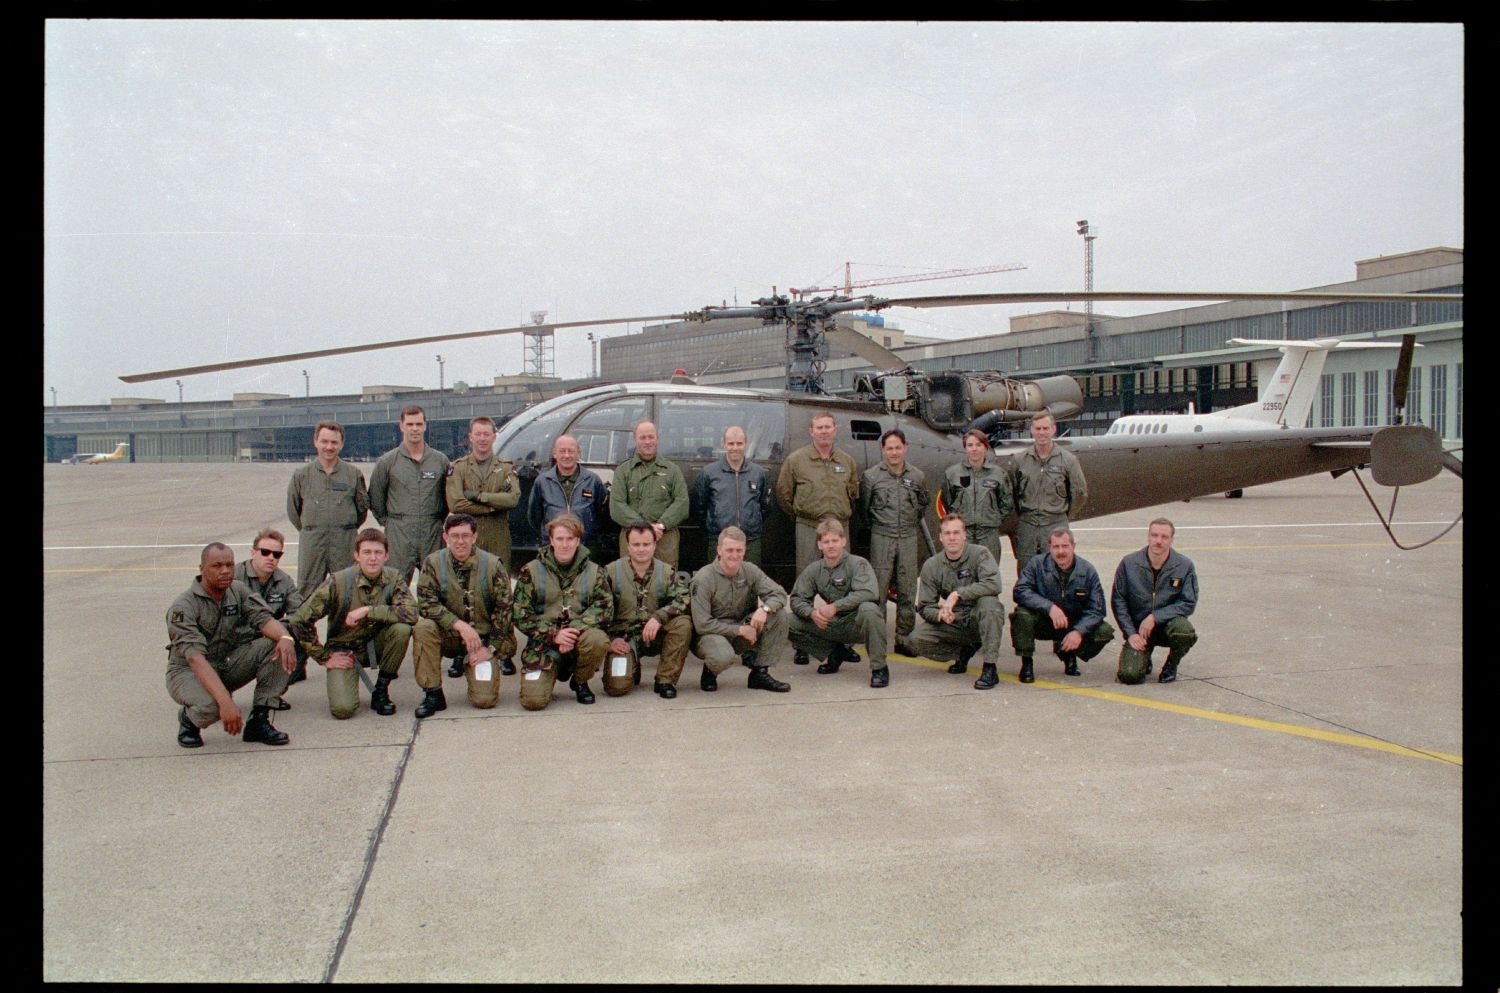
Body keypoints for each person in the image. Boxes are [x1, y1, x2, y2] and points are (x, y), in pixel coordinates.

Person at [286, 528, 429, 719]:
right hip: (344, 650)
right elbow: (300, 621)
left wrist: (369, 610)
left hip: (377, 645)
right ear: (356, 555)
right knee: (343, 709)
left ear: (386, 556)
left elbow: (412, 613)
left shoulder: (393, 578)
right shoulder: (339, 582)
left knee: (402, 629)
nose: (373, 558)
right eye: (367, 552)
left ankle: (381, 689)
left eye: (378, 553)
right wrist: (324, 656)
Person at [166, 543, 298, 748]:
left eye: (229, 565)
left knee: (278, 646)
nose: (225, 571)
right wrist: (225, 702)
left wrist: (285, 638)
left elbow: (263, 618)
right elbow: (194, 658)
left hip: (226, 663)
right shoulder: (184, 606)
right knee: (212, 707)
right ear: (202, 569)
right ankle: (189, 720)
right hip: (188, 671)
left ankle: (259, 720)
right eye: (217, 566)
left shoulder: (236, 590)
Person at [413, 513, 516, 717]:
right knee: (423, 628)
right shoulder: (432, 563)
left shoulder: (493, 564)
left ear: (474, 537)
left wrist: (491, 648)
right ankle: (432, 693)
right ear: (446, 537)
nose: (460, 541)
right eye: (455, 536)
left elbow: (504, 610)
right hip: (450, 635)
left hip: (483, 640)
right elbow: (426, 604)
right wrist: (459, 625)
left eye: (465, 536)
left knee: (484, 700)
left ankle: (480, 671)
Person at [511, 513, 613, 710]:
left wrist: (570, 633)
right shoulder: (531, 571)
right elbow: (520, 614)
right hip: (544, 644)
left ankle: (580, 681)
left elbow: (603, 609)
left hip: (579, 640)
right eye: (560, 539)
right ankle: (547, 675)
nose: (565, 544)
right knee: (533, 701)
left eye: (570, 539)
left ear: (578, 540)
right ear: (551, 540)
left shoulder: (595, 572)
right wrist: (554, 635)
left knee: (598, 640)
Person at [908, 514, 1007, 691]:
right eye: (947, 533)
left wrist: (958, 594)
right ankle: (961, 652)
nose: (952, 537)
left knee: (991, 605)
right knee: (915, 640)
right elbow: (924, 607)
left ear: (964, 535)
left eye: (956, 532)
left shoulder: (980, 554)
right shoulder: (932, 565)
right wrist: (940, 615)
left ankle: (990, 667)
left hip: (979, 616)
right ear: (940, 537)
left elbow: (994, 584)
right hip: (954, 620)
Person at [788, 517, 888, 688]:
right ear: (819, 545)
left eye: (835, 540)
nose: (831, 545)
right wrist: (811, 613)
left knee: (869, 609)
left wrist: (835, 607)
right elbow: (797, 599)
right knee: (786, 621)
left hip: (856, 624)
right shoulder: (814, 570)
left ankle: (879, 668)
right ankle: (835, 652)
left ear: (843, 541)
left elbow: (868, 592)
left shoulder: (858, 564)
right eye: (826, 541)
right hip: (832, 624)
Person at [689, 527, 792, 694]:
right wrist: (740, 630)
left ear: (745, 551)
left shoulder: (749, 570)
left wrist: (764, 609)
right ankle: (710, 671)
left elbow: (779, 593)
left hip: (741, 630)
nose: (735, 555)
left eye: (739, 550)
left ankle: (760, 673)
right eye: (729, 550)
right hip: (710, 635)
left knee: (778, 614)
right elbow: (702, 625)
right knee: (722, 656)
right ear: (719, 550)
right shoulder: (704, 578)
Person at [1010, 528, 1115, 683]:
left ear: (1073, 546)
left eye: (1065, 546)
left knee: (1104, 631)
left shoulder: (1087, 571)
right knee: (1021, 615)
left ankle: (1069, 653)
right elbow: (1020, 591)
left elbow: (1098, 609)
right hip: (1045, 621)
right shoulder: (1037, 564)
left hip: (1072, 624)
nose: (1061, 552)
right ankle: (1027, 662)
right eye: (1056, 547)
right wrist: (1049, 607)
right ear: (1049, 547)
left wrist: (1079, 631)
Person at [604, 522, 693, 699]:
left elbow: (683, 599)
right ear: (628, 546)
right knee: (617, 688)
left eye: (646, 544)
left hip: (655, 634)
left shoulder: (667, 571)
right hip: (624, 639)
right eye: (636, 544)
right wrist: (609, 641)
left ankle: (665, 680)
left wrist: (659, 617)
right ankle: (632, 666)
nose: (641, 549)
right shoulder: (611, 572)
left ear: (654, 545)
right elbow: (597, 610)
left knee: (683, 624)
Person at [861, 427, 929, 653]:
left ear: (905, 448)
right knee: (878, 591)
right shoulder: (871, 477)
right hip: (881, 536)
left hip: (908, 536)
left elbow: (922, 505)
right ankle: (877, 639)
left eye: (898, 448)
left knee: (908, 589)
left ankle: (904, 638)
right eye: (889, 448)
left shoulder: (917, 476)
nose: (894, 453)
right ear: (882, 450)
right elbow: (865, 510)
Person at [1111, 517, 1200, 685]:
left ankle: (1172, 663)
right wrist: (1131, 633)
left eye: (1164, 537)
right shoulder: (1129, 563)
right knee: (1130, 676)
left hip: (1167, 626)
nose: (1158, 541)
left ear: (1172, 540)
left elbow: (1188, 603)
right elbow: (1118, 601)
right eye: (1154, 535)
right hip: (1139, 631)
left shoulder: (1184, 566)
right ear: (1148, 536)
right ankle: (1144, 657)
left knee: (1184, 631)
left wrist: (1155, 617)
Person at [286, 420, 369, 596]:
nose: (329, 447)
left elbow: (362, 510)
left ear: (341, 444)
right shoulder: (301, 475)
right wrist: (312, 528)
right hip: (313, 543)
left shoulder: (353, 474)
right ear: (315, 441)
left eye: (334, 442)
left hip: (344, 542)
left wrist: (343, 527)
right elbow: (294, 511)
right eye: (324, 441)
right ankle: (305, 625)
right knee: (306, 593)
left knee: (347, 591)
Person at [369, 405, 450, 582]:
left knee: (437, 584)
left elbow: (447, 497)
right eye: (410, 424)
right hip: (399, 532)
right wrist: (389, 522)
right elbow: (375, 498)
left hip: (432, 531)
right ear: (401, 426)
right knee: (393, 584)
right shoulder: (387, 462)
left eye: (419, 424)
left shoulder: (440, 461)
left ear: (425, 426)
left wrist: (437, 520)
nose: (415, 429)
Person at [774, 412, 860, 577]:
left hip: (839, 527)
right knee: (807, 576)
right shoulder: (796, 460)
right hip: (808, 526)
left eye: (827, 427)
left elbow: (853, 495)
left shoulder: (847, 461)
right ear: (811, 431)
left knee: (842, 575)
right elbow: (783, 494)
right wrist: (802, 515)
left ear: (835, 430)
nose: (824, 431)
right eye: (819, 427)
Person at [234, 527, 306, 709]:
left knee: (294, 635)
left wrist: (281, 630)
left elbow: (299, 614)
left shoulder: (284, 581)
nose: (271, 558)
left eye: (277, 554)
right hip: (234, 641)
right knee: (210, 706)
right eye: (265, 552)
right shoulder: (234, 578)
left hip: (266, 638)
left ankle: (269, 696)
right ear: (253, 553)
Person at [1008, 409, 1087, 571]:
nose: (1042, 433)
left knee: (1057, 568)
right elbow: (1013, 492)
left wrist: (1063, 515)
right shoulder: (1020, 460)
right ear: (1031, 430)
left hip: (1055, 523)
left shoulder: (1068, 460)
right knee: (1026, 570)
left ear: (1053, 429)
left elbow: (1079, 493)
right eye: (1038, 429)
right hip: (1027, 525)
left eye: (1045, 428)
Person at [610, 420, 689, 569]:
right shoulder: (623, 471)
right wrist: (644, 527)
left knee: (665, 584)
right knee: (630, 582)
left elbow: (682, 502)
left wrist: (661, 525)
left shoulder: (672, 470)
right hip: (633, 539)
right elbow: (617, 506)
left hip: (664, 539)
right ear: (635, 440)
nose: (647, 441)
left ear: (657, 439)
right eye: (642, 437)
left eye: (651, 437)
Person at [444, 415, 521, 566]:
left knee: (499, 583)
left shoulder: (506, 468)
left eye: (486, 434)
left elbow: (513, 499)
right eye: (478, 434)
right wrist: (492, 507)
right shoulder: (458, 468)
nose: (482, 439)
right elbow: (456, 504)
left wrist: (479, 496)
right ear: (470, 437)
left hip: (498, 539)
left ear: (494, 437)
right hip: (467, 540)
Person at [690, 425, 771, 564]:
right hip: (718, 540)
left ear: (746, 444)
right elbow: (698, 508)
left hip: (750, 541)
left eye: (739, 443)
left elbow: (765, 507)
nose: (735, 448)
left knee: (749, 581)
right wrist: (714, 527)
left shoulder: (758, 473)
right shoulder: (709, 473)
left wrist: (751, 523)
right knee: (718, 582)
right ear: (724, 444)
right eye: (731, 443)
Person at [939, 427, 1013, 569]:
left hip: (988, 533)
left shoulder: (997, 474)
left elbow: (1006, 503)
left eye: (978, 445)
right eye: (970, 445)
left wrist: (993, 518)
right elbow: (948, 501)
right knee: (963, 573)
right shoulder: (953, 474)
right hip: (963, 533)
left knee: (988, 572)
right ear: (965, 448)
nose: (974, 449)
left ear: (985, 447)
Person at [527, 434, 610, 551]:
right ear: (554, 454)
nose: (567, 455)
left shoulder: (592, 480)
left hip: (586, 546)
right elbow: (534, 517)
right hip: (552, 547)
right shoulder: (542, 482)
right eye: (562, 451)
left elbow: (603, 515)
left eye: (571, 451)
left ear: (578, 454)